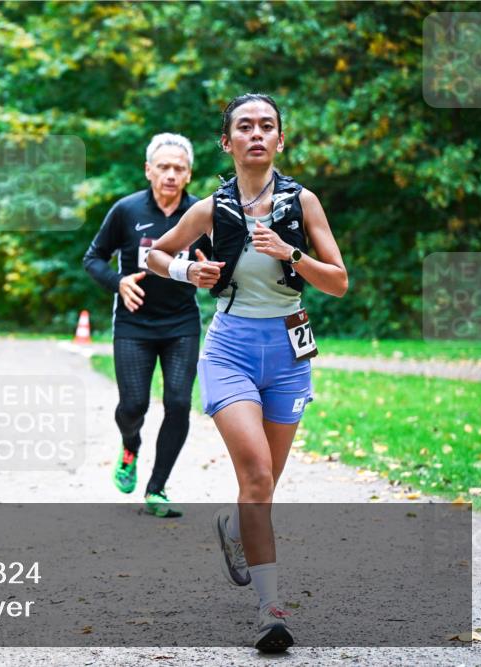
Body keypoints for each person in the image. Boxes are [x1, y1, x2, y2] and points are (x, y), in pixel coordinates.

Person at [146, 93, 348, 652]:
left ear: (280, 140)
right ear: (227, 141)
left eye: (267, 126)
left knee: (261, 487)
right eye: (244, 126)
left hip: (289, 350)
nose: (256, 134)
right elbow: (154, 255)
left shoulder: (302, 203)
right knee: (257, 475)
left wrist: (291, 254)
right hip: (230, 348)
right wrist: (190, 270)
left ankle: (235, 529)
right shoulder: (211, 207)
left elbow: (338, 280)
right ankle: (270, 609)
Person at [83, 133, 211, 518]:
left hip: (181, 324)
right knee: (133, 405)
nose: (171, 174)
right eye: (164, 167)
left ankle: (156, 489)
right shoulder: (126, 210)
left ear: (189, 174)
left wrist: (211, 272)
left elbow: (221, 264)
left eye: (179, 168)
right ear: (148, 170)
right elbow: (93, 258)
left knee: (177, 404)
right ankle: (130, 446)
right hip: (134, 324)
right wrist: (118, 283)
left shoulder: (202, 214)